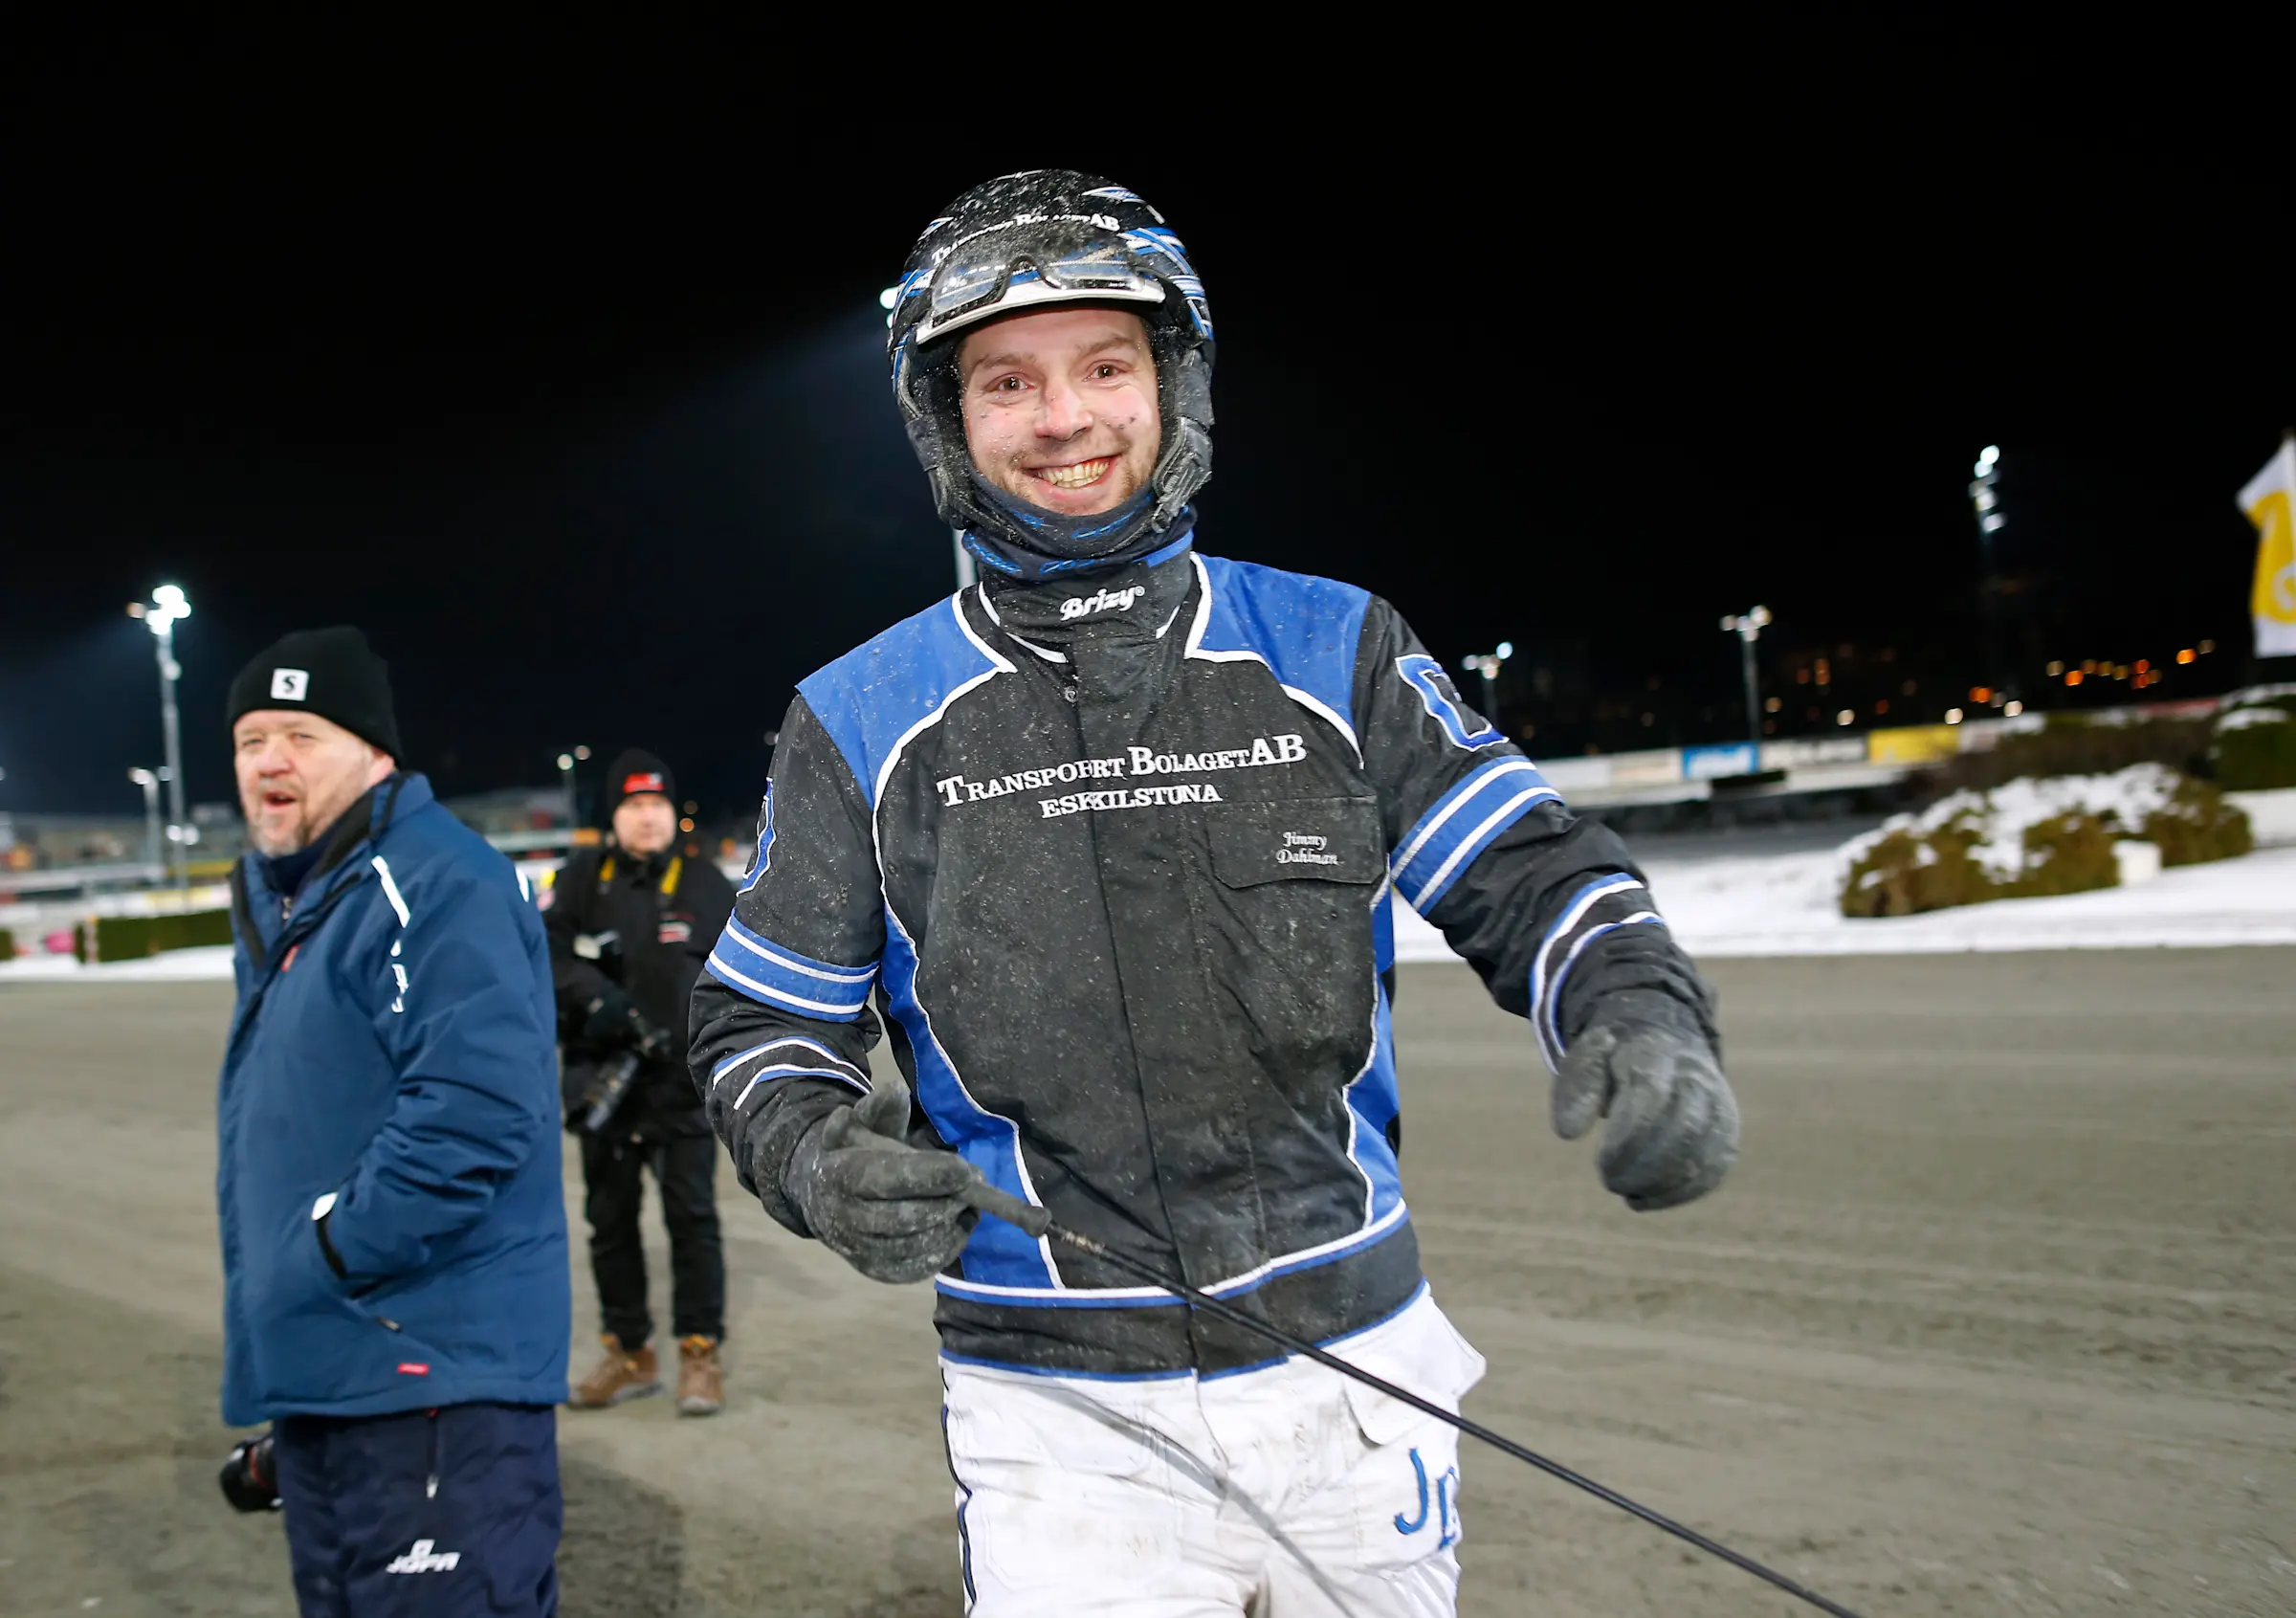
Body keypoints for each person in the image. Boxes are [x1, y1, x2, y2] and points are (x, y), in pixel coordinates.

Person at [688, 172, 1740, 1616]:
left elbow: (1529, 867)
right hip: (1063, 1426)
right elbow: (758, 1025)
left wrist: (1642, 1007)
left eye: (1105, 365)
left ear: (1172, 381)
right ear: (948, 421)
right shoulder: (860, 716)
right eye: (1009, 381)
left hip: (1360, 1381)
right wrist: (813, 1158)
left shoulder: (1336, 642)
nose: (1065, 419)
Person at [215, 626, 569, 1618]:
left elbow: (474, 1116)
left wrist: (323, 1255)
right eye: (250, 740)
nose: (270, 761)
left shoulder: (432, 879)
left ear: (375, 751)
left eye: (300, 734)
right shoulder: (301, 901)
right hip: (339, 1373)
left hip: (428, 1379)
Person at [546, 748, 736, 1414]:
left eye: (656, 804)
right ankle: (629, 1350)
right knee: (610, 1223)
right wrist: (601, 1002)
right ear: (614, 817)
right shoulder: (581, 878)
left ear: (670, 813)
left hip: (679, 1088)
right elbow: (546, 954)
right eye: (633, 806)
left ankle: (698, 1350)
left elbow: (736, 977)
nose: (646, 817)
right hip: (604, 1084)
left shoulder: (705, 882)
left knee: (692, 1220)